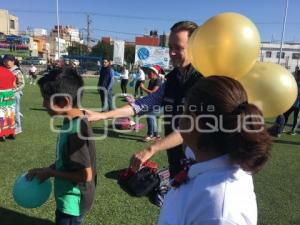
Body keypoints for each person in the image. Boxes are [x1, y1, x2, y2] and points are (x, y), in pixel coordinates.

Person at [86, 21, 202, 178]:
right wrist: (103, 115)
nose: (172, 53)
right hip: (176, 159)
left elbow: (192, 128)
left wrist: (152, 148)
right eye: (170, 47)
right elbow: (143, 104)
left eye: (178, 48)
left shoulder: (205, 81)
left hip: (200, 164)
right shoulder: (173, 79)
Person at [156, 76, 272, 225]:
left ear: (195, 123)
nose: (179, 119)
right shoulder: (209, 156)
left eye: (184, 111)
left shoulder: (218, 212)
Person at [26, 68, 97, 225]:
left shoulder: (75, 131)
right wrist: (47, 169)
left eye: (46, 99)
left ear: (64, 101)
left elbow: (86, 175)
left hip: (73, 202)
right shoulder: (71, 121)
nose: (43, 104)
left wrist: (51, 172)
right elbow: (66, 161)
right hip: (68, 198)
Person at [3, 55, 25, 135]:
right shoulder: (3, 70)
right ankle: (7, 127)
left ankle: (17, 128)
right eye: (5, 61)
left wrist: (13, 91)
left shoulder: (16, 71)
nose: (6, 63)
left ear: (13, 61)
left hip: (14, 94)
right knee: (5, 111)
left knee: (15, 111)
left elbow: (21, 84)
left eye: (8, 61)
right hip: (4, 94)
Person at [140, 65, 162, 141]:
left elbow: (153, 92)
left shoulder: (158, 81)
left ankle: (150, 134)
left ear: (154, 73)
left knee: (150, 115)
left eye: (150, 72)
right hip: (154, 102)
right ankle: (157, 135)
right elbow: (150, 95)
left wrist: (143, 88)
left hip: (160, 103)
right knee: (152, 117)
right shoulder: (151, 81)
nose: (148, 73)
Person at [0, 64, 16, 142]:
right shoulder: (9, 72)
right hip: (10, 94)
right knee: (10, 113)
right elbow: (14, 85)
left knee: (1, 114)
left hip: (1, 94)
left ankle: (2, 134)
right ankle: (11, 132)